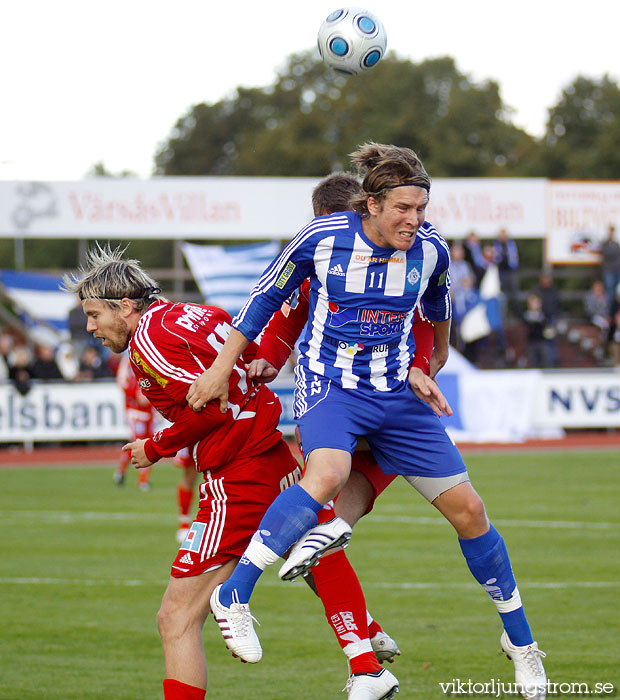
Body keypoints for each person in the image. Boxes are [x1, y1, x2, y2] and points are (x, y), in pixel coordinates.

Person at [187, 143, 547, 700]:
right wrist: (221, 368)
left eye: (421, 209)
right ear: (371, 205)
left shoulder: (431, 251)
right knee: (326, 475)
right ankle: (235, 594)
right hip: (332, 388)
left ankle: (522, 647)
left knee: (470, 512)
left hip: (398, 397)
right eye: (403, 208)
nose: (415, 220)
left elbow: (438, 316)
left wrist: (426, 367)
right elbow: (263, 300)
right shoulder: (322, 239)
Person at [62, 246, 399, 700]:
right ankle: (364, 649)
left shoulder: (147, 342)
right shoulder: (197, 313)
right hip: (272, 451)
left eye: (94, 314)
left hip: (236, 474)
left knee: (176, 617)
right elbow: (248, 356)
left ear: (125, 306)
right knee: (314, 549)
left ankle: (246, 605)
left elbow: (212, 407)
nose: (90, 328)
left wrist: (155, 447)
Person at [114, 351, 156, 491]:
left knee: (151, 445)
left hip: (149, 413)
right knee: (138, 444)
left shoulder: (151, 363)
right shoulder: (129, 367)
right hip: (135, 414)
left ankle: (141, 479)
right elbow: (122, 381)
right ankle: (123, 471)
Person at [493, 228, 520, 315]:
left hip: (511, 272)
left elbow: (514, 259)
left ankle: (515, 313)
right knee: (502, 295)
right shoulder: (496, 245)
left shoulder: (511, 245)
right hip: (500, 273)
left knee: (514, 294)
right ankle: (503, 314)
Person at [599, 224, 620, 311]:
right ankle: (609, 312)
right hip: (608, 271)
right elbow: (607, 254)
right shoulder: (604, 244)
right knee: (609, 292)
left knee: (617, 292)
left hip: (617, 270)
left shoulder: (616, 244)